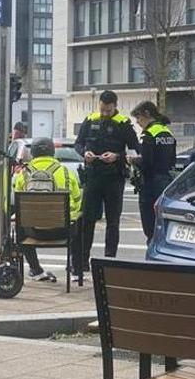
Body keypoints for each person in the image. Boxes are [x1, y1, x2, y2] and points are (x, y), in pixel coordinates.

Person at [73, 90, 139, 280]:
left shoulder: (124, 124)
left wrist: (117, 156)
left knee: (113, 222)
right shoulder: (90, 119)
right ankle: (83, 261)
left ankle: (110, 259)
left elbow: (135, 148)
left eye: (108, 110)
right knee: (87, 220)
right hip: (93, 176)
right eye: (102, 109)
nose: (104, 113)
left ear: (115, 107)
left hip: (114, 178)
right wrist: (84, 152)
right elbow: (78, 144)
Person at [13, 137, 82, 283]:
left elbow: (18, 205)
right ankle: (75, 270)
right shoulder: (66, 173)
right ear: (53, 152)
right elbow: (77, 202)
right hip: (62, 231)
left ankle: (36, 270)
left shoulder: (23, 175)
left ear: (33, 153)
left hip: (32, 232)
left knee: (19, 226)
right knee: (80, 223)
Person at [129, 101, 177, 242]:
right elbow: (172, 160)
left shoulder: (148, 134)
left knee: (150, 227)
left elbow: (146, 163)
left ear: (147, 114)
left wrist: (133, 160)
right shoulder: (167, 133)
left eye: (138, 118)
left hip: (150, 184)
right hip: (166, 182)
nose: (137, 122)